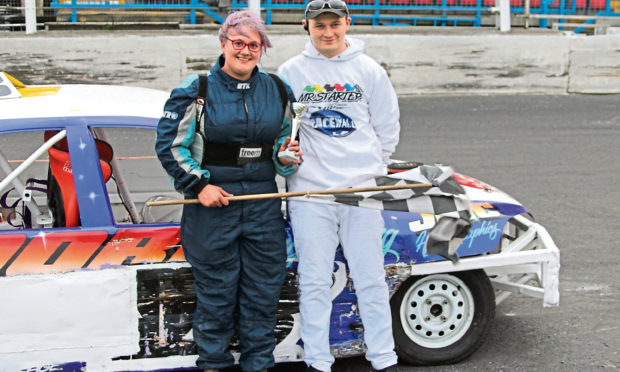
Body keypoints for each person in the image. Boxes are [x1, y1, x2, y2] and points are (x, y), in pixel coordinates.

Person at [155, 10, 297, 372]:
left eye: (254, 45)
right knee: (216, 295)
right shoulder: (196, 89)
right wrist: (199, 185)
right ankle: (213, 364)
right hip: (212, 207)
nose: (246, 51)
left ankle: (259, 364)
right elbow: (170, 146)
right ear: (223, 44)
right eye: (239, 43)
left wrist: (287, 157)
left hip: (263, 203)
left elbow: (284, 147)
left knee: (263, 293)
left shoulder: (279, 89)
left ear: (262, 49)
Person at [276, 1, 401, 372]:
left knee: (371, 279)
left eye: (334, 24)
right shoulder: (290, 72)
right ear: (306, 27)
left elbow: (387, 128)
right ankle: (317, 360)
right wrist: (286, 157)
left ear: (347, 24)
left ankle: (384, 358)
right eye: (319, 26)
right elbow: (282, 130)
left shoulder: (368, 70)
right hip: (310, 194)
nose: (327, 32)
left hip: (359, 193)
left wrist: (367, 170)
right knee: (314, 280)